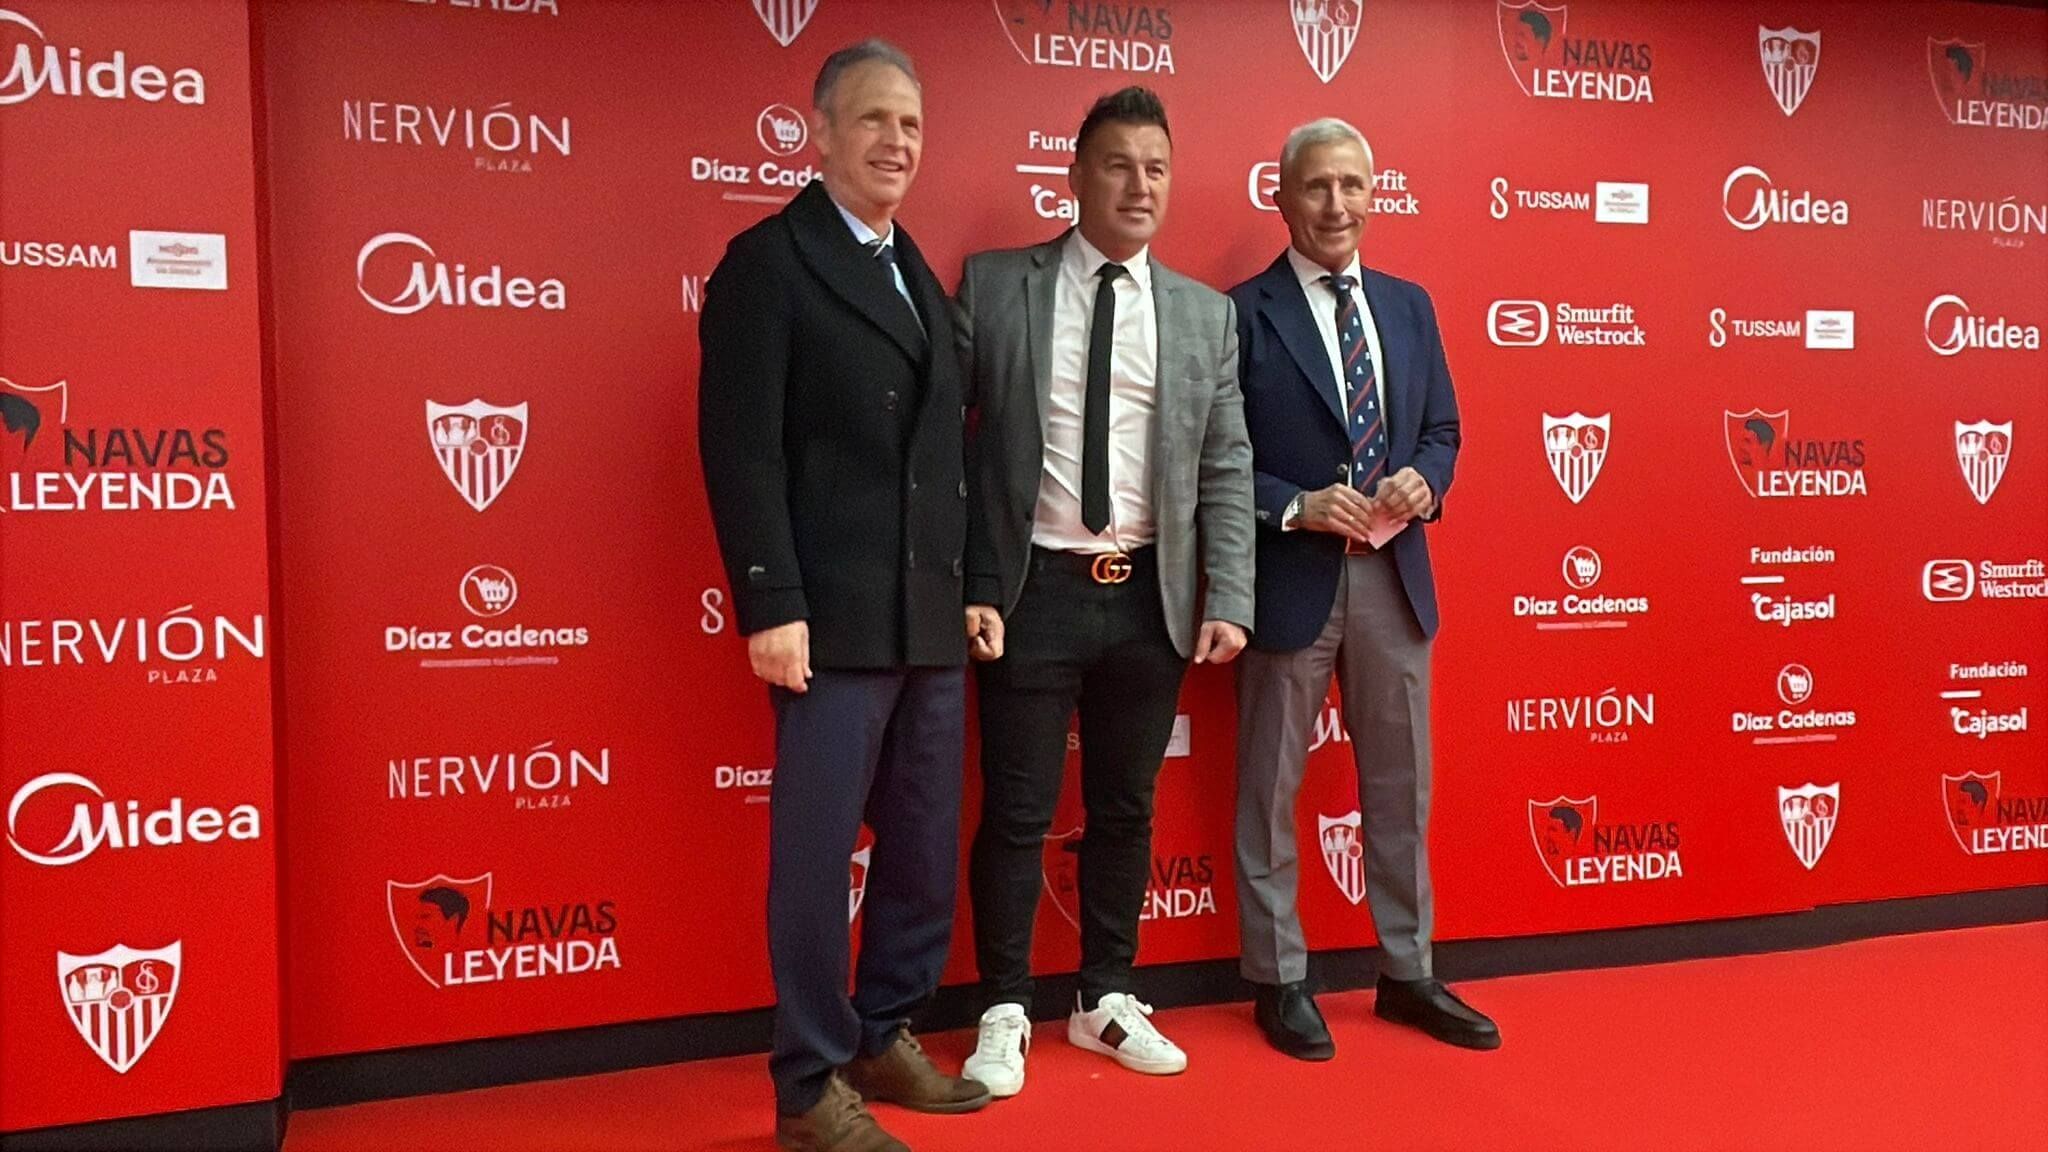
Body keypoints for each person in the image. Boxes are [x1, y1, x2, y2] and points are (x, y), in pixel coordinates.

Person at [697, 39, 988, 1152]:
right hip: (823, 620)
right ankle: (810, 1082)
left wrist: (962, 589)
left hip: (925, 616)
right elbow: (741, 453)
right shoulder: (767, 265)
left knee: (919, 844)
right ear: (817, 132)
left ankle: (884, 1029)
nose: (895, 143)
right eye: (872, 120)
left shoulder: (912, 269)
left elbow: (938, 455)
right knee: (818, 861)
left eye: (910, 125)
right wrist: (770, 601)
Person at [954, 86, 1255, 1097]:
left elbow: (1224, 464)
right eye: (1119, 165)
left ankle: (1104, 1000)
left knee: (1124, 808)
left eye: (1156, 169)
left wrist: (1229, 594)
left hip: (1148, 601)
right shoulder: (996, 286)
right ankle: (1002, 1007)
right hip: (1029, 589)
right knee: (1017, 809)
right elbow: (948, 452)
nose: (1139, 185)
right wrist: (973, 578)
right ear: (1074, 175)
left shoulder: (1203, 316)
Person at [1227, 117, 1499, 1061]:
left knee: (1400, 785)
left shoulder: (1410, 304)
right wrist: (1297, 505)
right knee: (1269, 788)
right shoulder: (1241, 311)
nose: (1335, 204)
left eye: (1351, 185)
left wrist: (1429, 480)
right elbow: (1217, 464)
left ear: (1374, 192)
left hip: (1394, 577)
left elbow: (1445, 431)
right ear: (1283, 196)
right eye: (1315, 187)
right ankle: (1277, 978)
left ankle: (1407, 973)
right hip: (1289, 582)